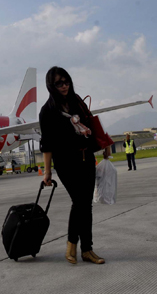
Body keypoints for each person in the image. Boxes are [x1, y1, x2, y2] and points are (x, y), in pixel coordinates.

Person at [40, 66, 108, 265]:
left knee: (86, 205)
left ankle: (87, 249)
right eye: (59, 83)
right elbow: (47, 144)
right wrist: (47, 171)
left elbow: (92, 122)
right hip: (65, 162)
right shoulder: (48, 111)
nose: (64, 86)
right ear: (51, 86)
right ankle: (72, 244)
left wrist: (106, 144)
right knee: (79, 202)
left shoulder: (76, 101)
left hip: (86, 158)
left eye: (66, 81)